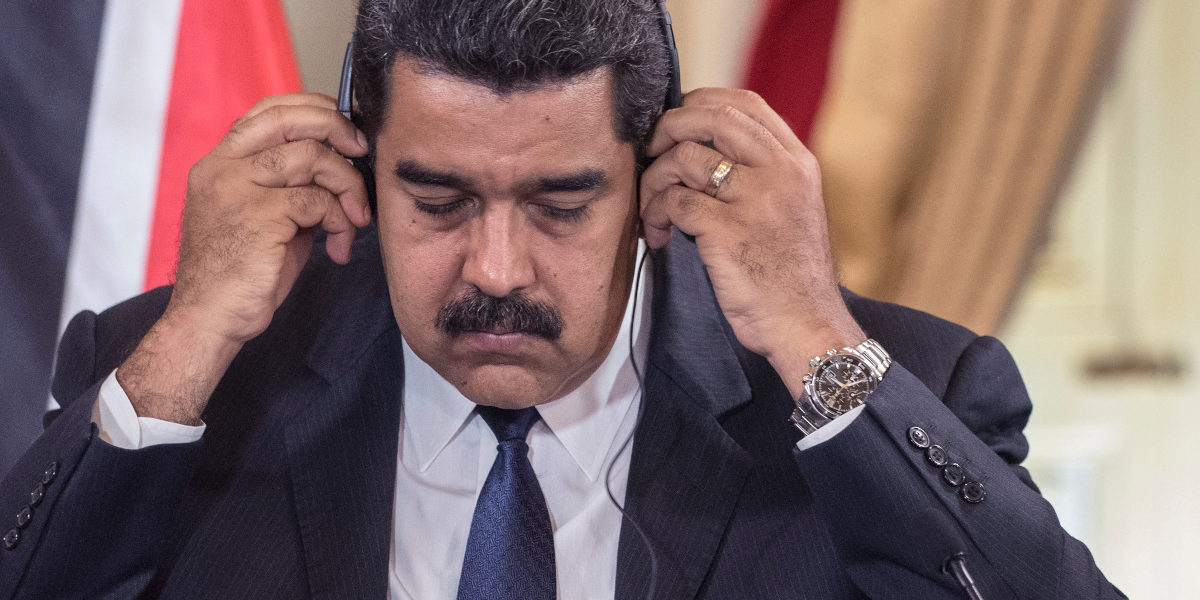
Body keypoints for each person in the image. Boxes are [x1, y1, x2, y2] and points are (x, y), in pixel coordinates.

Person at [0, 1, 1123, 598]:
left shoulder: (898, 389)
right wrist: (193, 337)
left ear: (658, 176)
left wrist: (815, 340)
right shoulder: (179, 379)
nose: (496, 270)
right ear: (355, 166)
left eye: (561, 203)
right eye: (438, 200)